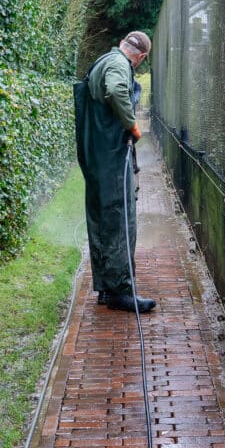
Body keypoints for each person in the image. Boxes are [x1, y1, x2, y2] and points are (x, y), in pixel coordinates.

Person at [73, 31, 156, 312]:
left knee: (104, 221)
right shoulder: (119, 65)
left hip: (99, 158)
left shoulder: (105, 60)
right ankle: (121, 290)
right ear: (141, 57)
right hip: (109, 160)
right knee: (120, 220)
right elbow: (117, 89)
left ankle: (107, 290)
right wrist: (132, 124)